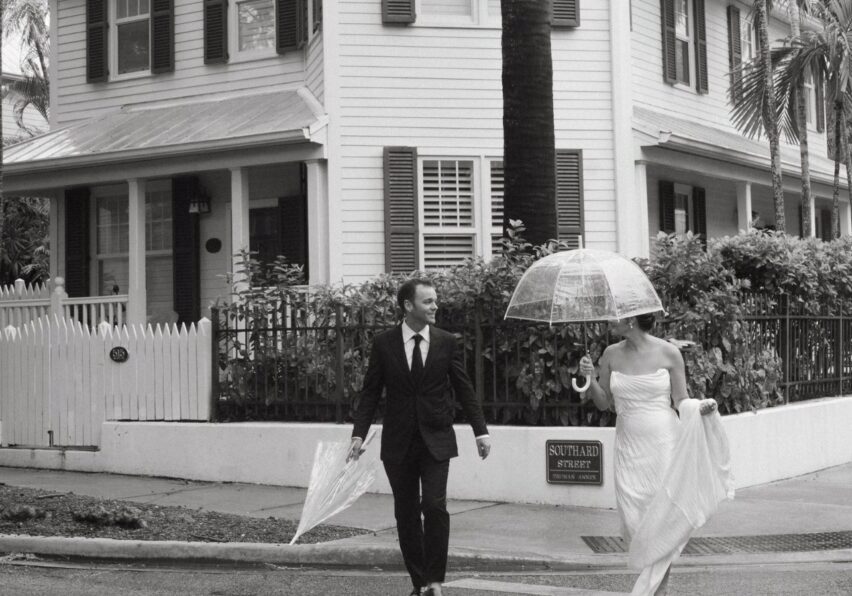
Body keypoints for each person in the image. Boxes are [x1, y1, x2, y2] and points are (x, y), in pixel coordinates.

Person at [348, 278, 491, 596]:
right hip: (398, 442)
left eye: (435, 300)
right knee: (406, 512)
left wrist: (480, 431)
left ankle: (436, 579)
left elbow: (464, 387)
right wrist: (358, 435)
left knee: (435, 505)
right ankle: (420, 582)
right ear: (408, 306)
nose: (435, 306)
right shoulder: (384, 343)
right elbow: (371, 392)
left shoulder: (445, 341)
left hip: (437, 438)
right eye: (428, 301)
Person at [579, 312, 724, 596]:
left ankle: (658, 591)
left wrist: (700, 408)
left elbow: (681, 400)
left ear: (630, 322)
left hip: (663, 445)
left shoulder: (669, 353)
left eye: (616, 317)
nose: (610, 321)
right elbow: (604, 403)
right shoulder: (610, 354)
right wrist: (589, 378)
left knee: (663, 522)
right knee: (636, 524)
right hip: (629, 447)